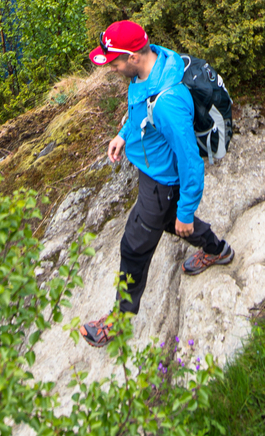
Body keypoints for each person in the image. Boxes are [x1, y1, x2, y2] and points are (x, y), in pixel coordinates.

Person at [82, 19, 234, 347]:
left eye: (115, 61)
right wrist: (123, 136)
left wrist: (186, 209)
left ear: (134, 57)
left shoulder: (167, 102)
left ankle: (119, 320)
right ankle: (217, 250)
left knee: (133, 247)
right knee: (169, 223)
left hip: (161, 183)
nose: (112, 67)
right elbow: (140, 112)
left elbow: (191, 162)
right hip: (153, 173)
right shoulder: (151, 68)